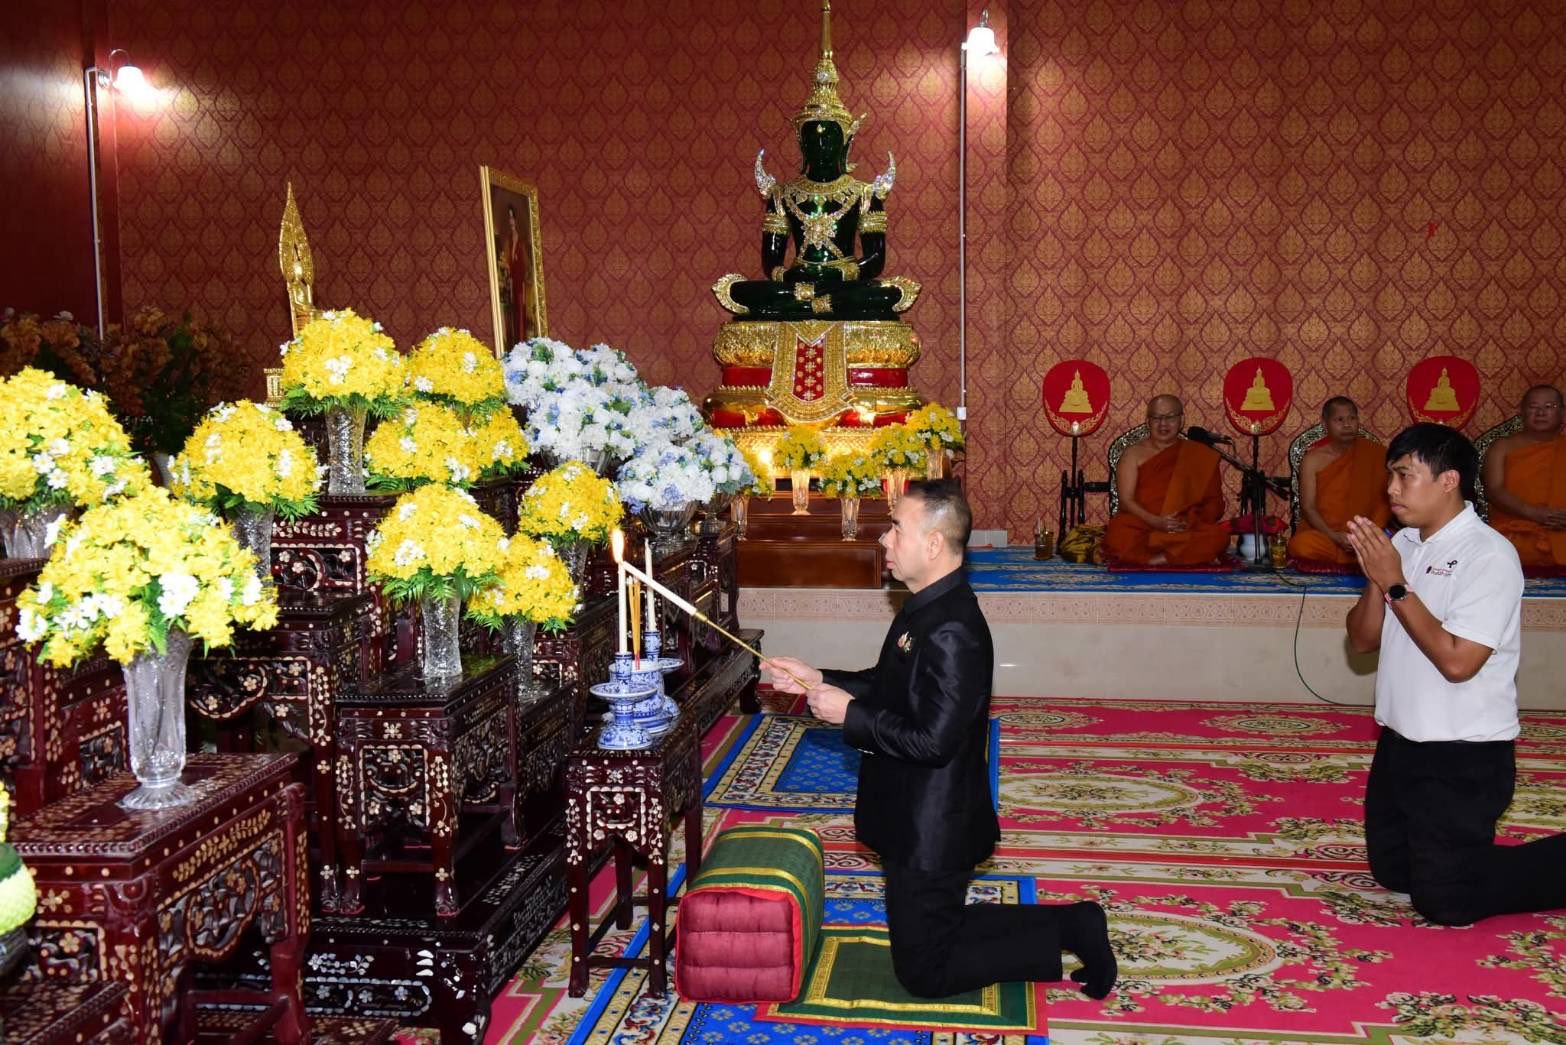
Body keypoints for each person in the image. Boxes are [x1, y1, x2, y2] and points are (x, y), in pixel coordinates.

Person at [763, 480, 1118, 1000]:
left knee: (924, 973)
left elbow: (934, 741)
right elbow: (890, 685)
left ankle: (1069, 930)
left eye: (895, 529)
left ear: (932, 544)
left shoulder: (954, 629)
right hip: (909, 808)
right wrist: (818, 679)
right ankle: (1075, 924)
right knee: (930, 937)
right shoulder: (927, 606)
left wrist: (850, 715)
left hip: (935, 824)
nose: (884, 541)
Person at [1344, 422, 1566, 926]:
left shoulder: (1488, 555)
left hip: (1464, 754)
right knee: (1394, 872)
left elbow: (1458, 661)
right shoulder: (1404, 542)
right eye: (1390, 477)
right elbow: (1361, 640)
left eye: (1405, 476)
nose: (1392, 489)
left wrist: (1397, 584)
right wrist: (1378, 580)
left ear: (1449, 480)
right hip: (1402, 742)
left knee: (1446, 900)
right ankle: (1457, 860)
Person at [1102, 395, 1230, 566]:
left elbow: (1214, 502)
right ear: (1148, 421)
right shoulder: (1133, 454)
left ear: (1181, 420)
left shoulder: (1199, 454)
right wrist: (1156, 521)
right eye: (1157, 418)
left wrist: (1189, 521)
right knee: (1117, 534)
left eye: (1170, 417)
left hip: (1182, 528)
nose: (1163, 424)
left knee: (1218, 537)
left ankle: (1157, 560)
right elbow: (1126, 502)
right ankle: (1178, 558)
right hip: (1144, 524)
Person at [1287, 397, 1389, 568]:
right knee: (1301, 546)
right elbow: (1308, 507)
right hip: (1326, 536)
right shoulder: (1312, 460)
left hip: (1365, 538)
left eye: (1352, 418)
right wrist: (1334, 536)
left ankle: (1363, 551)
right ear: (1325, 424)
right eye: (1339, 420)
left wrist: (1366, 536)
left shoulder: (1376, 455)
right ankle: (1357, 557)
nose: (1347, 425)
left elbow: (1384, 503)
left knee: (1393, 544)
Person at [1481, 384, 1566, 567]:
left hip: (1562, 530)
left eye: (1549, 407)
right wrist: (1533, 513)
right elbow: (1494, 490)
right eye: (1533, 407)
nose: (1541, 413)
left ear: (1563, 413)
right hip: (1517, 532)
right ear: (1522, 412)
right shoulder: (1502, 447)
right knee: (1501, 551)